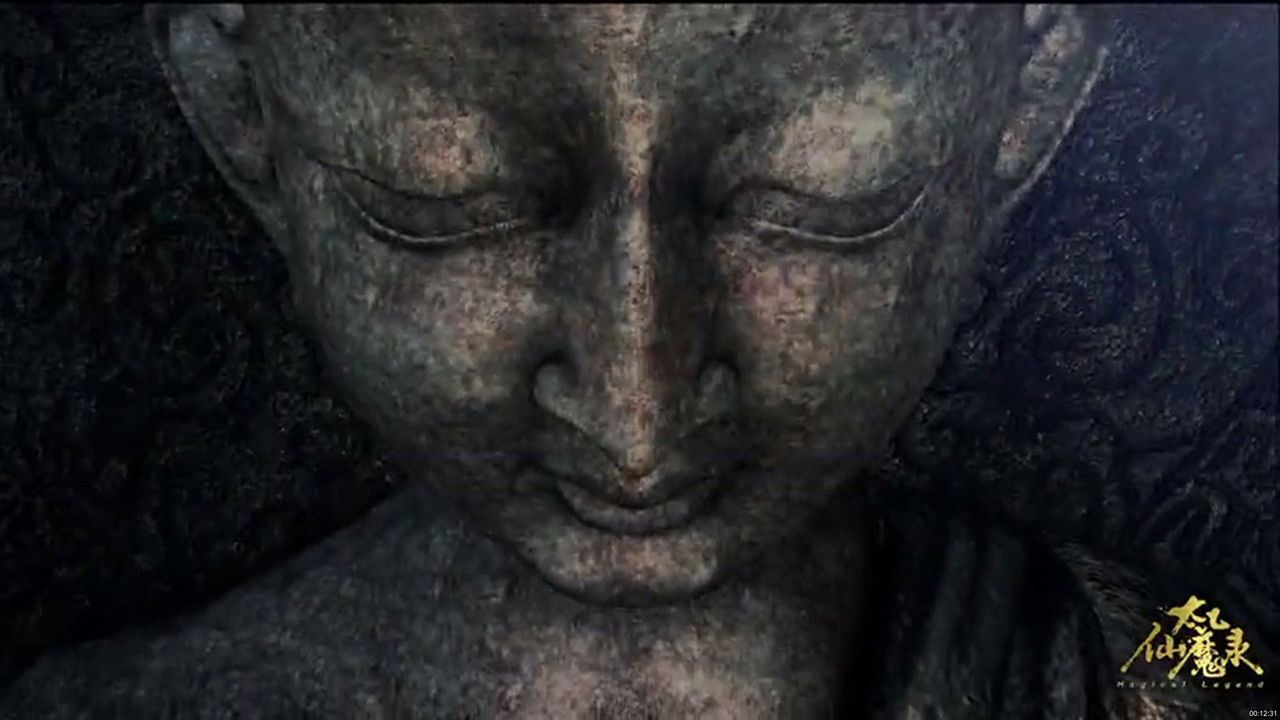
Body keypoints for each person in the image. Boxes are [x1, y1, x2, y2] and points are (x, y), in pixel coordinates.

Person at [2, 5, 1267, 718]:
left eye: (818, 206)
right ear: (239, 108)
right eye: (449, 207)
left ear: (1027, 99)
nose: (635, 411)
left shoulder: (1177, 667)